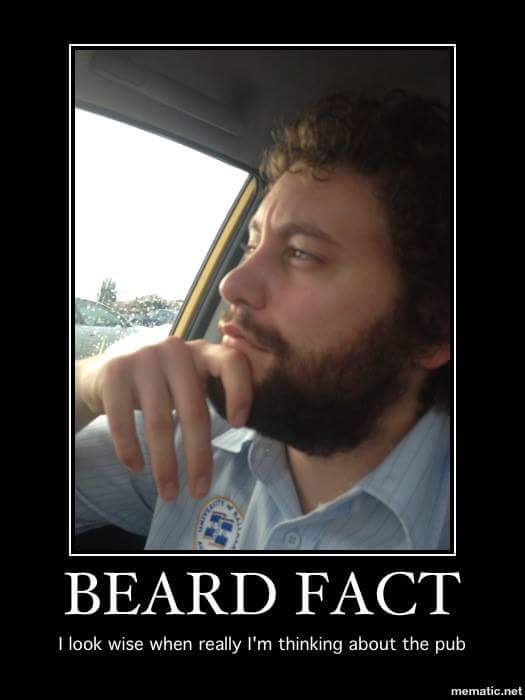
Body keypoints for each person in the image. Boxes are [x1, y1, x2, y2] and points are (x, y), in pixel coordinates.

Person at [75, 89, 451, 551]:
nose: (232, 284)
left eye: (301, 253)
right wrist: (87, 386)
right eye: (252, 245)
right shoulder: (191, 433)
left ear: (432, 329)